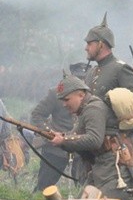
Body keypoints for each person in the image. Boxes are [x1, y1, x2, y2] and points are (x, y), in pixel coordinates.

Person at [48, 75, 133, 200]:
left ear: (81, 95)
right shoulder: (86, 109)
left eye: (67, 99)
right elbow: (77, 135)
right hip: (102, 165)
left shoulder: (93, 109)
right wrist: (63, 138)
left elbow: (93, 140)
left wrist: (65, 140)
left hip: (113, 165)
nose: (64, 104)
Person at [84, 14, 133, 176]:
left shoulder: (120, 68)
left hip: (118, 140)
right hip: (96, 140)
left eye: (89, 43)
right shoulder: (91, 72)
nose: (86, 47)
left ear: (101, 44)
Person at [30, 62, 89, 191]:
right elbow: (37, 115)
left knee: (84, 189)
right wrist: (49, 134)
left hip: (80, 149)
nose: (81, 81)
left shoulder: (90, 97)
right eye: (78, 77)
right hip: (55, 150)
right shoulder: (55, 93)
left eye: (84, 78)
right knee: (44, 187)